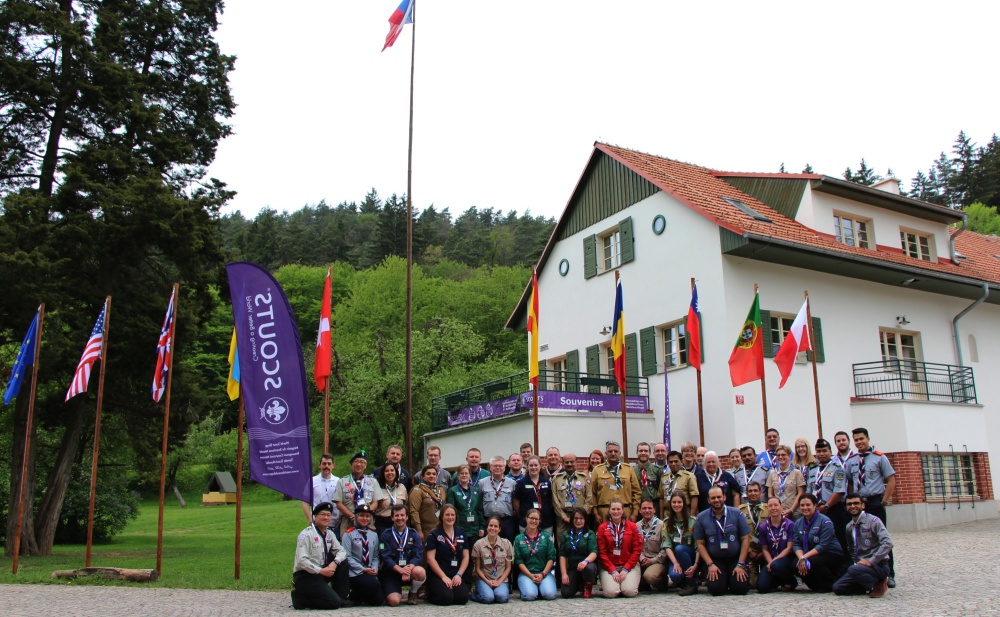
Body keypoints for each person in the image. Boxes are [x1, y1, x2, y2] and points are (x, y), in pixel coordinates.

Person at [845, 426, 896, 587]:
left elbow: (891, 480)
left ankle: (889, 573)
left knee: (881, 537)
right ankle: (861, 568)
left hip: (874, 502)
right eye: (856, 440)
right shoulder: (852, 460)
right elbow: (850, 483)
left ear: (868, 439)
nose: (859, 442)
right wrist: (852, 501)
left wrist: (885, 500)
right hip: (858, 504)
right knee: (858, 537)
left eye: (861, 439)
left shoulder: (879, 458)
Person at [291, 502, 352, 610]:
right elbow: (301, 561)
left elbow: (342, 551)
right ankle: (300, 598)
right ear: (315, 516)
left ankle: (341, 596)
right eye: (322, 515)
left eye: (328, 515)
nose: (326, 517)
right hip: (306, 576)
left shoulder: (329, 534)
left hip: (322, 573)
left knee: (342, 562)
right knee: (333, 603)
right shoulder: (306, 535)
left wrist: (334, 563)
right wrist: (320, 571)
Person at [833, 494, 894, 598]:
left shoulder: (874, 521)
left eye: (856, 503)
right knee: (838, 587)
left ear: (863, 506)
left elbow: (888, 543)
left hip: (878, 565)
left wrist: (870, 561)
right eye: (849, 504)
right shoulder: (849, 527)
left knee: (853, 570)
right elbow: (851, 548)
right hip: (861, 567)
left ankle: (880, 582)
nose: (853, 506)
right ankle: (867, 585)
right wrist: (857, 561)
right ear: (846, 507)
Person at [693, 487, 751, 596]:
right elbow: (700, 544)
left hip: (735, 558)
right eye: (713, 498)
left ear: (724, 497)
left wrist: (741, 564)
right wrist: (710, 564)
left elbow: (745, 539)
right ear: (708, 500)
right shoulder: (701, 518)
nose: (716, 500)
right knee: (716, 590)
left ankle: (730, 579)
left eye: (719, 497)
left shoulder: (737, 514)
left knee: (741, 589)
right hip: (715, 560)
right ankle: (724, 580)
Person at [792, 494, 846, 592]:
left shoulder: (825, 521)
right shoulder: (798, 523)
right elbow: (796, 544)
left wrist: (804, 557)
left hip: (830, 553)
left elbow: (823, 545)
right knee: (795, 564)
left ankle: (830, 585)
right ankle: (815, 586)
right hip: (810, 554)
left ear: (815, 506)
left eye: (808, 505)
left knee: (813, 562)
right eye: (802, 505)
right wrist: (801, 558)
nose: (805, 508)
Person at [378, 503, 426, 606]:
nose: (400, 518)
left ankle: (413, 592)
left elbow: (418, 554)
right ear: (392, 518)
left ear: (407, 517)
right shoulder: (385, 535)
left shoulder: (414, 534)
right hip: (392, 572)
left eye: (402, 515)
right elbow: (385, 556)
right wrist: (400, 570)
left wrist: (409, 568)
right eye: (396, 515)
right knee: (394, 601)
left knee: (420, 572)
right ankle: (392, 590)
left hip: (409, 571)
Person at [424, 504, 470, 605]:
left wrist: (459, 575)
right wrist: (443, 577)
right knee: (446, 598)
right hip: (438, 575)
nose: (450, 517)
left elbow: (466, 557)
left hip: (455, 574)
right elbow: (430, 559)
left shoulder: (461, 534)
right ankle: (429, 594)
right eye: (447, 515)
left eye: (452, 515)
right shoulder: (434, 535)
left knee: (462, 598)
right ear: (442, 517)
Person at [596, 499, 642, 598]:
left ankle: (624, 584)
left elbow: (637, 550)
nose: (616, 512)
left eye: (618, 509)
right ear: (609, 511)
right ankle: (616, 584)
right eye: (613, 509)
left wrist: (626, 569)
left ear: (622, 511)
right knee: (610, 593)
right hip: (610, 566)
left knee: (629, 592)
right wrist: (612, 570)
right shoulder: (602, 528)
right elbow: (602, 553)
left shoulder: (632, 527)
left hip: (629, 565)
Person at [333, 451, 386, 536]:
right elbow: (338, 503)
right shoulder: (342, 481)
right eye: (356, 462)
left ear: (365, 466)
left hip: (367, 521)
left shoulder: (372, 481)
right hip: (348, 521)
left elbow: (376, 502)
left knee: (369, 545)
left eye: (362, 462)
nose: (359, 464)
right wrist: (353, 517)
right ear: (351, 464)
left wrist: (365, 514)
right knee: (347, 546)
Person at [341, 504, 385, 606]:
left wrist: (374, 569)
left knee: (378, 600)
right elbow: (346, 557)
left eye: (367, 516)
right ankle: (351, 598)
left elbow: (376, 556)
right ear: (356, 517)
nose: (364, 518)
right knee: (374, 585)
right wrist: (362, 569)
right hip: (355, 572)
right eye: (361, 516)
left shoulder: (373, 535)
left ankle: (359, 599)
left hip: (370, 571)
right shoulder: (348, 534)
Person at [810, 438, 848, 554]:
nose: (821, 454)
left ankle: (843, 568)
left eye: (824, 451)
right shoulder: (812, 470)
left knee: (839, 539)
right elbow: (809, 491)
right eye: (819, 451)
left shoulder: (838, 468)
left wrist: (826, 506)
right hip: (816, 511)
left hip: (833, 510)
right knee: (818, 540)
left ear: (830, 452)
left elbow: (839, 490)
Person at [591, 440, 641, 524]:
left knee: (625, 536)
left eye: (616, 451)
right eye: (610, 451)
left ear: (620, 453)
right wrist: (595, 513)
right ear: (606, 453)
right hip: (604, 512)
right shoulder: (597, 470)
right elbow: (592, 493)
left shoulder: (628, 469)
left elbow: (637, 492)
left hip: (625, 511)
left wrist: (635, 513)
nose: (613, 453)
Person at [514, 508, 558, 601]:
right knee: (530, 596)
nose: (533, 521)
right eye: (531, 518)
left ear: (539, 521)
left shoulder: (546, 537)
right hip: (527, 574)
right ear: (526, 519)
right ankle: (532, 588)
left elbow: (551, 558)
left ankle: (541, 588)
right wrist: (531, 576)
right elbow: (519, 561)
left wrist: (542, 575)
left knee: (550, 595)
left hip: (544, 573)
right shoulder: (519, 538)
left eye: (536, 519)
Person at [755, 496, 796, 593]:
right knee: (762, 587)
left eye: (776, 505)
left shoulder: (790, 525)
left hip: (786, 559)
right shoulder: (763, 526)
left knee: (776, 566)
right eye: (770, 506)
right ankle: (779, 580)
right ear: (767, 509)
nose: (773, 508)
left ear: (781, 507)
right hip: (771, 560)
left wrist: (773, 562)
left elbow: (789, 548)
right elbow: (764, 548)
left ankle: (791, 581)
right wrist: (770, 562)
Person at [663, 491, 700, 595]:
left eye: (679, 502)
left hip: (691, 556)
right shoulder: (666, 523)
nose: (676, 505)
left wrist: (696, 565)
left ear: (684, 503)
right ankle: (684, 581)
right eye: (674, 502)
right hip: (675, 558)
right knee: (675, 576)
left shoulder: (694, 521)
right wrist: (675, 563)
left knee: (680, 548)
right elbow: (667, 546)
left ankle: (691, 583)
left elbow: (699, 545)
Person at [470, 516, 514, 604]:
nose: (492, 528)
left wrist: (499, 581)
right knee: (488, 598)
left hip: (500, 579)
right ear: (487, 527)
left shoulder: (506, 544)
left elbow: (508, 567)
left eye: (495, 526)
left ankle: (494, 591)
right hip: (484, 579)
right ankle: (475, 594)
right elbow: (477, 569)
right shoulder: (479, 544)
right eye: (490, 525)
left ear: (499, 529)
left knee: (502, 598)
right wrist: (488, 581)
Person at [551, 452, 593, 541]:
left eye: (572, 462)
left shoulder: (584, 478)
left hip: (580, 518)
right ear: (562, 463)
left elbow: (589, 499)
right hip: (562, 518)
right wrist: (563, 517)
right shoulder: (556, 479)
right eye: (567, 462)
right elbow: (554, 500)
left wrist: (581, 516)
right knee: (563, 544)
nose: (569, 464)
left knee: (581, 542)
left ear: (576, 462)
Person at [559, 507, 598, 598]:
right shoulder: (566, 534)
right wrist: (564, 574)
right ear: (572, 520)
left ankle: (587, 587)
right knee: (566, 593)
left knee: (589, 568)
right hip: (573, 567)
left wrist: (585, 562)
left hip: (587, 565)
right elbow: (562, 555)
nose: (578, 521)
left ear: (585, 520)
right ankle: (578, 585)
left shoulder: (590, 533)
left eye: (581, 518)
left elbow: (594, 552)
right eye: (576, 518)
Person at [479, 455, 517, 545]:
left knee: (507, 546)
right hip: (488, 521)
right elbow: (479, 503)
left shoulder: (512, 483)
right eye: (495, 466)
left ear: (504, 468)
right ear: (490, 467)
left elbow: (515, 503)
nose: (498, 468)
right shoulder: (482, 483)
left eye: (500, 466)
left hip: (506, 521)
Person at [513, 455, 555, 534]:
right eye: (531, 465)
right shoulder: (521, 483)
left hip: (545, 522)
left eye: (536, 465)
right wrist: (523, 514)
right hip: (527, 522)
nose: (533, 467)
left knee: (545, 544)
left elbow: (551, 500)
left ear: (540, 466)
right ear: (527, 467)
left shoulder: (547, 482)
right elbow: (516, 502)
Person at [302, 453, 340, 531]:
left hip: (335, 524)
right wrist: (310, 520)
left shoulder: (339, 481)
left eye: (329, 464)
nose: (326, 466)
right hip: (317, 523)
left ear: (333, 466)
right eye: (324, 464)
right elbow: (304, 502)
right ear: (320, 465)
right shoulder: (312, 481)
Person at [738, 481, 766, 588]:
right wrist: (749, 551)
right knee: (752, 584)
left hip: (765, 552)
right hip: (749, 552)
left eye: (755, 491)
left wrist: (764, 551)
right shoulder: (740, 511)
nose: (753, 493)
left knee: (765, 583)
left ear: (761, 492)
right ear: (746, 493)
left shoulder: (769, 509)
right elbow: (738, 534)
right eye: (750, 491)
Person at [447, 464, 484, 542]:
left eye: (466, 473)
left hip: (474, 528)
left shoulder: (475, 491)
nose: (464, 475)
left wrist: (481, 527)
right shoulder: (453, 491)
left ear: (469, 475)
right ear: (458, 475)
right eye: (462, 473)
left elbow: (479, 510)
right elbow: (451, 510)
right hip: (459, 527)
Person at [765, 445, 805, 519]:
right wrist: (777, 507)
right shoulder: (772, 473)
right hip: (778, 513)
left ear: (789, 456)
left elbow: (800, 493)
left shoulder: (796, 473)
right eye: (778, 455)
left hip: (794, 513)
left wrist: (791, 509)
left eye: (783, 455)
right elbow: (770, 494)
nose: (780, 457)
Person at [409, 465, 446, 541]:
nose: (431, 476)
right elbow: (414, 511)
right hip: (425, 530)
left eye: (434, 474)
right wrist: (419, 530)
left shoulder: (440, 490)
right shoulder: (418, 490)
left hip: (440, 528)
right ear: (423, 476)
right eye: (428, 474)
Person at [637, 499, 667, 591]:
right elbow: (634, 547)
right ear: (640, 510)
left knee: (649, 576)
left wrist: (652, 561)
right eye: (644, 508)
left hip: (657, 561)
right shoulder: (636, 526)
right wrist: (642, 558)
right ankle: (643, 583)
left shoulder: (661, 525)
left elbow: (666, 548)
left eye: (650, 508)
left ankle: (661, 581)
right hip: (641, 560)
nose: (647, 510)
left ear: (654, 510)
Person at [374, 463, 407, 537]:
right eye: (387, 471)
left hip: (398, 522)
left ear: (396, 473)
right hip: (382, 523)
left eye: (392, 470)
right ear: (383, 473)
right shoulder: (377, 487)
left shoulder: (401, 487)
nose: (390, 473)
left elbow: (406, 505)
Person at [632, 442, 663, 516]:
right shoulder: (632, 471)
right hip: (637, 506)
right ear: (637, 453)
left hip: (653, 505)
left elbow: (661, 491)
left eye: (646, 451)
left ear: (650, 453)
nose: (643, 453)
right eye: (641, 451)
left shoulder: (657, 470)